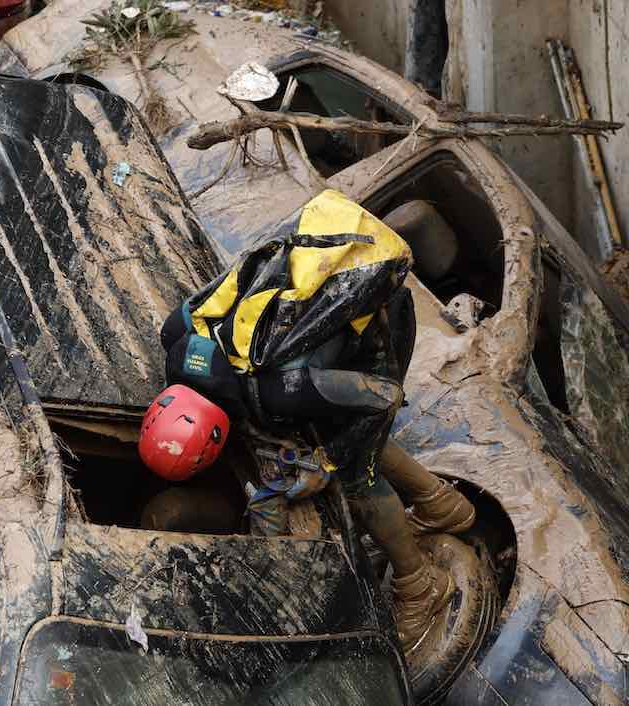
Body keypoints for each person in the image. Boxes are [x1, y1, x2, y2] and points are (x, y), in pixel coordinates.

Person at [138, 189, 475, 657]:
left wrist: (328, 461)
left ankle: (419, 584)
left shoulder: (281, 388)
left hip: (378, 321)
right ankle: (443, 506)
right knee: (339, 429)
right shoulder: (178, 335)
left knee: (359, 471)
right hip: (314, 328)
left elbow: (384, 399)